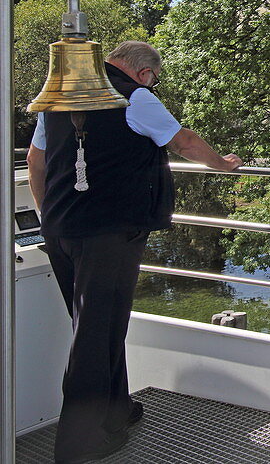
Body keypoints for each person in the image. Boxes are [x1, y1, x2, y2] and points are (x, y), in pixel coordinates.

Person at [27, 41, 242, 463]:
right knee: (94, 333)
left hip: (62, 231)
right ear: (144, 73)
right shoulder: (135, 96)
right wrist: (223, 164)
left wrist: (47, 215)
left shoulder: (59, 94)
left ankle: (116, 411)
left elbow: (37, 161)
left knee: (98, 324)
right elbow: (183, 141)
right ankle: (80, 443)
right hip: (109, 234)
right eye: (154, 80)